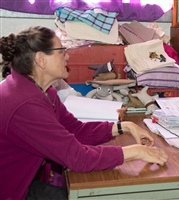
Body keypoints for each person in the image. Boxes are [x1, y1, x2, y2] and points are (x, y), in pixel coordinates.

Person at [0, 26, 168, 200]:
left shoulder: (41, 90)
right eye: (61, 51)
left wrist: (123, 126)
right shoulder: (26, 105)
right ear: (41, 59)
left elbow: (75, 130)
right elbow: (78, 158)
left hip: (22, 183)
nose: (67, 56)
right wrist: (136, 152)